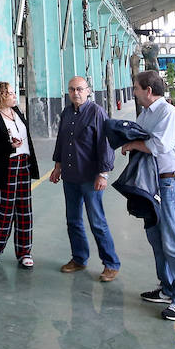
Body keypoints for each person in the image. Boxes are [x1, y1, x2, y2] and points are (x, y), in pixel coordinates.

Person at [121, 70, 175, 320]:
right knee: (156, 237)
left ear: (148, 91)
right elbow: (137, 133)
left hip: (171, 184)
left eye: (136, 88)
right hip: (153, 184)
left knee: (174, 240)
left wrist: (131, 145)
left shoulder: (168, 114)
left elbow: (158, 145)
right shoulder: (147, 115)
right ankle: (167, 288)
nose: (134, 93)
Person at [48, 76, 120, 280]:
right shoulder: (67, 112)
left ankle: (111, 263)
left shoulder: (96, 112)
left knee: (97, 221)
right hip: (70, 176)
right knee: (73, 220)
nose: (75, 93)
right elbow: (62, 141)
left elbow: (104, 144)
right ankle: (79, 258)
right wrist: (58, 167)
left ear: (88, 91)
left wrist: (103, 174)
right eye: (71, 89)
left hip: (90, 177)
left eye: (79, 89)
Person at [0, 81, 40, 268]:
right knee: (3, 209)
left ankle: (25, 252)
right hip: (6, 166)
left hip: (24, 164)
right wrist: (9, 146)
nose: (15, 96)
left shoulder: (18, 114)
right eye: (11, 93)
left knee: (24, 210)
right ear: (1, 97)